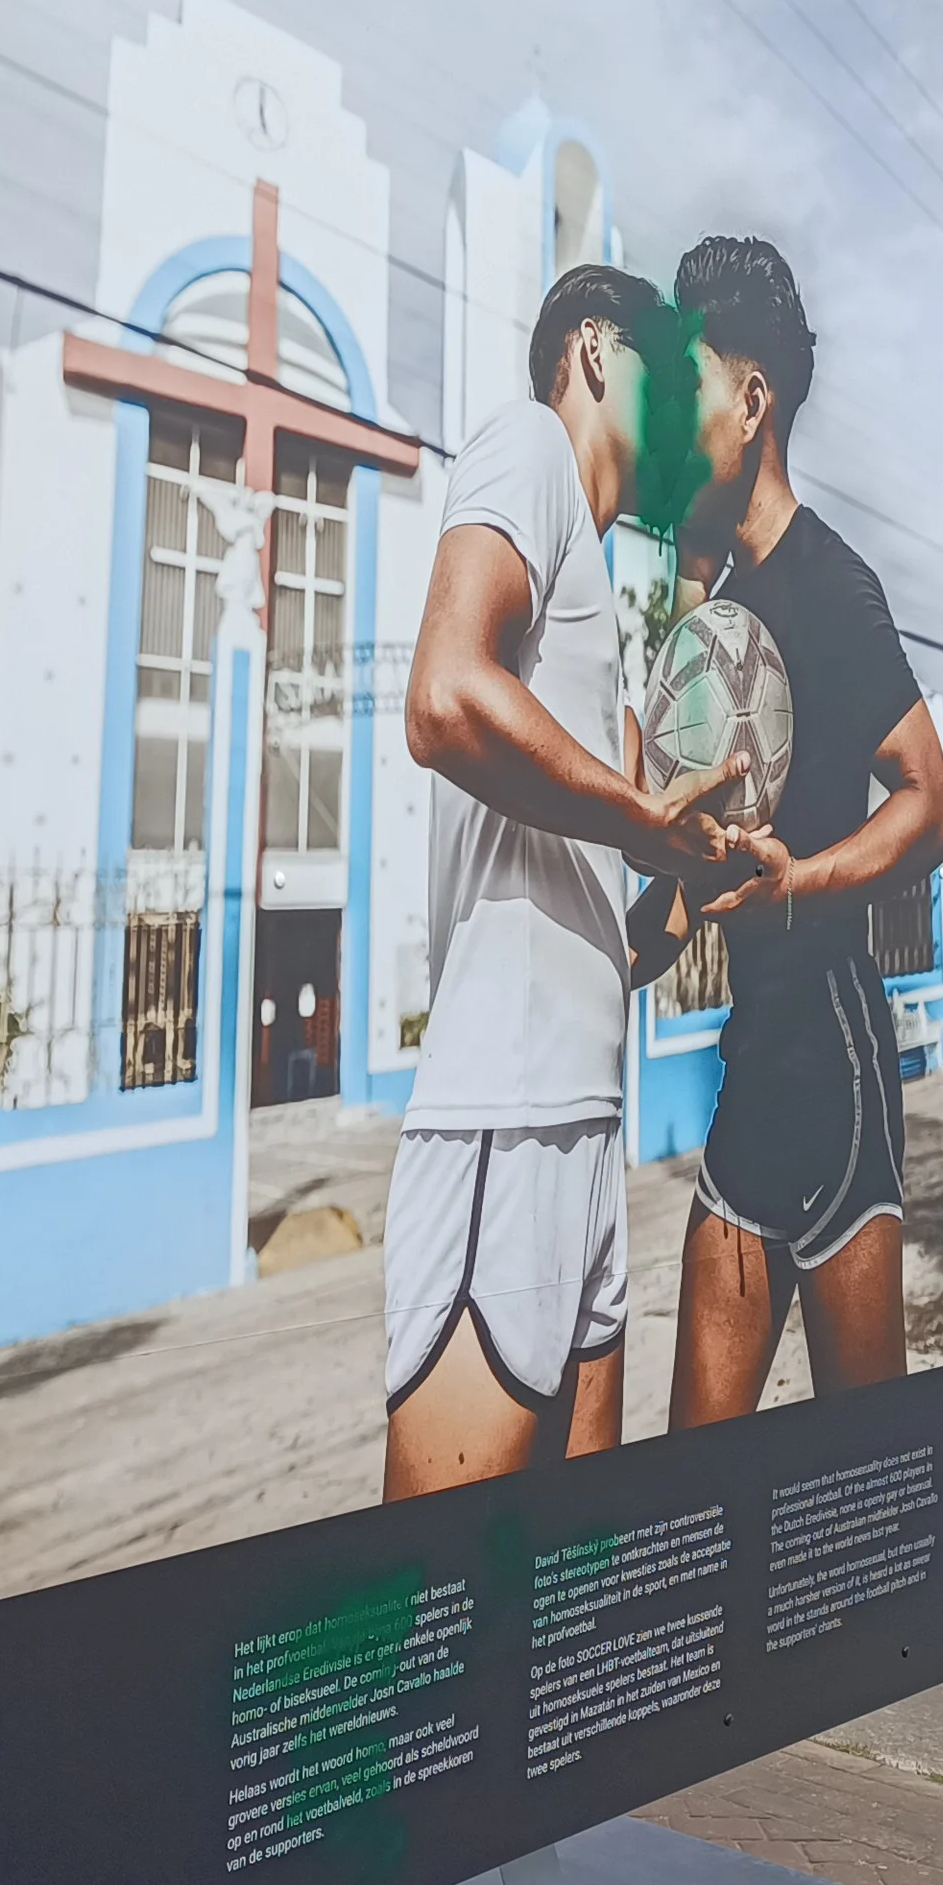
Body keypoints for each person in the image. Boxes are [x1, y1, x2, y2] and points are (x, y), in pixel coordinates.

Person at [380, 265, 745, 1501]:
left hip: (581, 1127)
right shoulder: (528, 446)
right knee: (432, 1619)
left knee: (558, 1622)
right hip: (505, 1112)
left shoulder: (598, 588)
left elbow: (609, 911)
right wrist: (642, 810)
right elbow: (441, 696)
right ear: (594, 352)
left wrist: (680, 881)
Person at [660, 236, 943, 1429]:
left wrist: (801, 888)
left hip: (836, 1061)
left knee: (860, 1480)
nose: (678, 424)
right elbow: (670, 805)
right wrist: (686, 580)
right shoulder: (716, 596)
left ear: (752, 395)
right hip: (753, 1069)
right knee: (690, 1483)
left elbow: (929, 799)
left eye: (690, 389)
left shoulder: (832, 587)